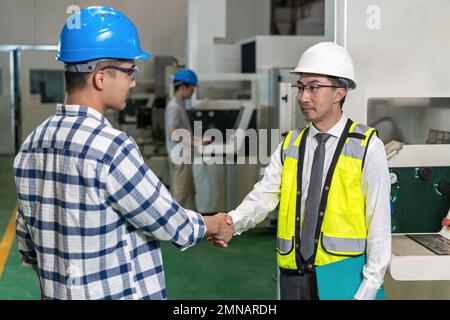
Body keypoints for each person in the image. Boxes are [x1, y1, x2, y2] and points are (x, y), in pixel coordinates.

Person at [13, 6, 233, 300]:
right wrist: (214, 223)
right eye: (130, 71)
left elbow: (28, 245)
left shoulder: (31, 145)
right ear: (101, 77)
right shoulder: (110, 148)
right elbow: (170, 221)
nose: (132, 81)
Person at [209, 42, 391, 300]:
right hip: (293, 277)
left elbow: (379, 224)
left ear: (339, 92)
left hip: (343, 278)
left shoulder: (367, 147)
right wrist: (231, 222)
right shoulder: (290, 144)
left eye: (314, 87)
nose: (303, 97)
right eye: (301, 87)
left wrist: (368, 288)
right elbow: (263, 196)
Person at [165, 68, 210, 210]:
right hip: (180, 158)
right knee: (180, 197)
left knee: (190, 193)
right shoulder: (174, 107)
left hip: (184, 157)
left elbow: (182, 132)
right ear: (184, 87)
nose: (193, 92)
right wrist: (197, 142)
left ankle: (194, 227)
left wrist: (199, 139)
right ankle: (173, 229)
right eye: (192, 88)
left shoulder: (179, 105)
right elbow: (173, 134)